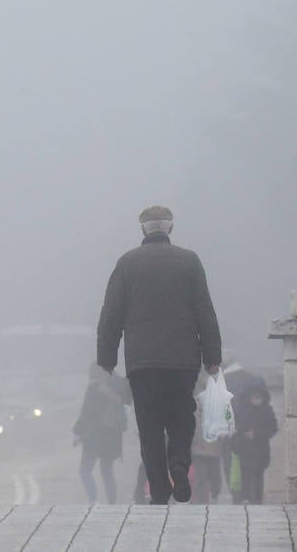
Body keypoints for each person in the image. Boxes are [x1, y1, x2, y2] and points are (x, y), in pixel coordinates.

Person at [97, 205, 223, 504]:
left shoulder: (127, 263)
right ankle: (179, 465)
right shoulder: (189, 262)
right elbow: (205, 312)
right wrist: (212, 356)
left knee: (149, 424)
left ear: (143, 229)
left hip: (143, 363)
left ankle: (159, 488)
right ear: (171, 228)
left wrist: (106, 359)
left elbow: (110, 315)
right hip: (183, 361)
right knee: (182, 417)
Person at [72, 363, 130, 503]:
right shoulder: (119, 385)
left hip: (94, 435)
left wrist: (78, 432)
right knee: (107, 472)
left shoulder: (94, 388)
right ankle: (112, 503)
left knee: (85, 470)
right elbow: (127, 404)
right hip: (113, 435)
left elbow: (86, 413)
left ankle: (93, 500)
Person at [230, 379, 277, 504]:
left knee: (258, 474)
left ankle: (257, 499)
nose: (257, 399)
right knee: (245, 473)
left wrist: (256, 434)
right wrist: (242, 433)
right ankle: (245, 497)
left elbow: (272, 428)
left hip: (260, 448)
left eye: (259, 397)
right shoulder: (241, 409)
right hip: (244, 447)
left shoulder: (267, 410)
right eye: (254, 397)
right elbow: (235, 425)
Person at [189, 372, 224, 504]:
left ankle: (212, 496)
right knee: (202, 475)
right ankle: (203, 498)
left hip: (210, 446)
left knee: (212, 475)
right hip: (200, 446)